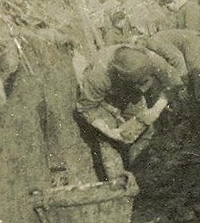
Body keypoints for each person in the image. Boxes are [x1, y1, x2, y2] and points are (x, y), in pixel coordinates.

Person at [76, 45, 184, 180]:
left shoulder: (151, 59)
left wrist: (156, 110)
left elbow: (174, 82)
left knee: (144, 131)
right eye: (138, 84)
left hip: (129, 93)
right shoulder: (98, 76)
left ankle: (141, 178)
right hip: (102, 100)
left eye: (145, 82)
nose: (144, 90)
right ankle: (119, 185)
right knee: (108, 142)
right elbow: (87, 108)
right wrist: (109, 131)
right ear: (120, 76)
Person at [136, 29, 200, 129]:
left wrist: (182, 86)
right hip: (195, 53)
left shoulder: (155, 42)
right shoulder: (155, 44)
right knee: (193, 95)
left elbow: (177, 59)